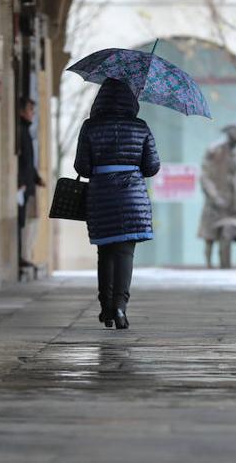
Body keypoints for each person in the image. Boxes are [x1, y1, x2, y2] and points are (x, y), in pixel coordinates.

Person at [73, 79, 161, 329]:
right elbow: (152, 166)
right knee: (125, 253)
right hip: (132, 197)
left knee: (105, 252)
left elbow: (82, 167)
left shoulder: (90, 127)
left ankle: (106, 309)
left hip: (101, 195)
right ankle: (121, 308)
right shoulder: (140, 126)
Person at [198, 124, 236, 268]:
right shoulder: (215, 149)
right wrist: (214, 196)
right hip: (215, 199)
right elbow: (204, 176)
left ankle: (226, 265)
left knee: (227, 232)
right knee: (210, 234)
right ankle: (208, 264)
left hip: (231, 199)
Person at [17, 95, 45, 271]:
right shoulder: (19, 130)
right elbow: (18, 159)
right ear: (21, 111)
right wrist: (20, 181)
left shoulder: (25, 130)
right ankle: (20, 256)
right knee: (22, 221)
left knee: (27, 221)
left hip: (28, 184)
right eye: (30, 110)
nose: (32, 114)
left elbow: (28, 161)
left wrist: (36, 177)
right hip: (22, 186)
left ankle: (23, 255)